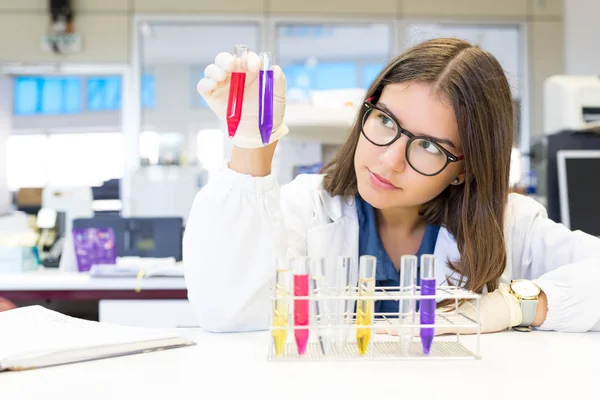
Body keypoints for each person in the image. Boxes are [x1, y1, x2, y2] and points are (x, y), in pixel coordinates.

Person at [183, 38, 600, 334]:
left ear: (466, 169)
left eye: (428, 146)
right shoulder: (308, 207)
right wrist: (252, 146)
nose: (389, 159)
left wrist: (513, 305)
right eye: (385, 121)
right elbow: (229, 312)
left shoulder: (512, 226)